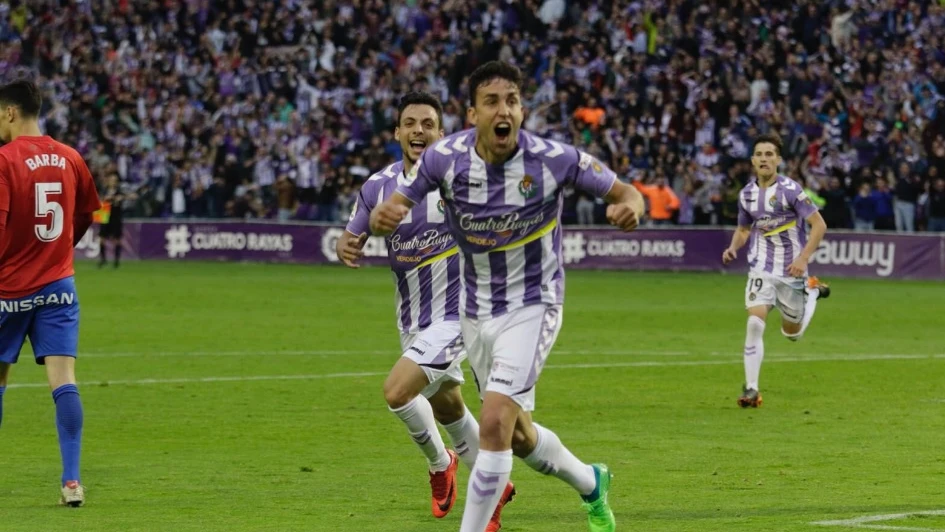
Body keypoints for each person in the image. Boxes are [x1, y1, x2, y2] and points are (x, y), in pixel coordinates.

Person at [369, 61, 645, 532]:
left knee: (493, 419)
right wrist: (386, 214)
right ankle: (591, 482)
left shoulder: (554, 158)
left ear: (522, 109)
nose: (505, 110)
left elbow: (628, 192)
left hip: (533, 305)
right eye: (492, 101)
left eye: (512, 101)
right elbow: (400, 199)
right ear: (473, 113)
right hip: (476, 311)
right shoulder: (445, 159)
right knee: (518, 437)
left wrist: (628, 207)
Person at [338, 91, 514, 530]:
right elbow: (352, 233)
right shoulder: (377, 186)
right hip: (412, 320)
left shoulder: (461, 179)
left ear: (441, 132)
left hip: (458, 316)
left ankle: (442, 466)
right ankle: (490, 480)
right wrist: (347, 243)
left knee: (397, 392)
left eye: (428, 124)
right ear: (397, 132)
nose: (419, 131)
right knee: (448, 407)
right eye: (410, 123)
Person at [0, 79, 102, 506]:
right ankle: (72, 482)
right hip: (59, 287)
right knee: (64, 381)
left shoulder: (4, 161)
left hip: (7, 290)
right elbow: (85, 215)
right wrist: (57, 253)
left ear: (9, 112)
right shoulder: (71, 156)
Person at [722, 133, 831, 408]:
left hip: (792, 271)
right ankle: (751, 389)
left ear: (778, 160)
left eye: (770, 154)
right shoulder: (746, 195)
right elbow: (744, 229)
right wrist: (734, 247)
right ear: (752, 160)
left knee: (792, 334)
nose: (764, 159)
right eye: (759, 154)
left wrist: (803, 260)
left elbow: (819, 226)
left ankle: (813, 292)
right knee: (754, 323)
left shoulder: (791, 190)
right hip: (760, 268)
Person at [97, 173, 134, 268]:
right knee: (102, 238)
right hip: (105, 216)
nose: (112, 182)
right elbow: (99, 199)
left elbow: (133, 196)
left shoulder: (120, 191)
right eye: (111, 180)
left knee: (116, 239)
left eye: (114, 180)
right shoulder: (104, 190)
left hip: (116, 217)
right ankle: (103, 259)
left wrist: (122, 198)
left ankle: (116, 261)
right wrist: (105, 199)